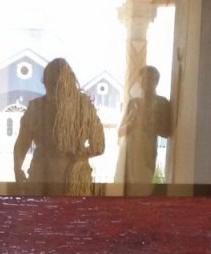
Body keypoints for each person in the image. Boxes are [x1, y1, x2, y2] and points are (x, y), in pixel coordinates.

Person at [13, 57, 105, 196]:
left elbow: (99, 145)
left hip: (70, 180)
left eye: (54, 83)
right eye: (50, 83)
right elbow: (22, 143)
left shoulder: (83, 107)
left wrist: (76, 155)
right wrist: (17, 169)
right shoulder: (37, 107)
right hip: (45, 178)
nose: (52, 87)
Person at [115, 65, 172, 196]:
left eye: (150, 79)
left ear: (156, 82)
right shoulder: (133, 102)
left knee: (144, 190)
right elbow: (120, 132)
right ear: (139, 81)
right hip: (130, 153)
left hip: (147, 153)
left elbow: (166, 132)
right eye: (143, 78)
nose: (146, 82)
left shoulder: (162, 103)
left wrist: (148, 121)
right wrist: (132, 125)